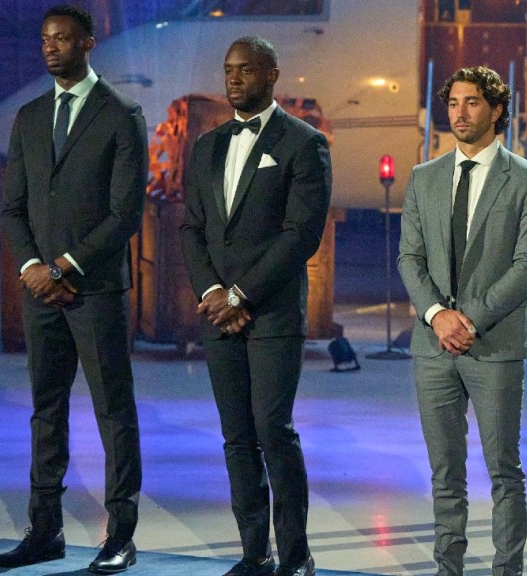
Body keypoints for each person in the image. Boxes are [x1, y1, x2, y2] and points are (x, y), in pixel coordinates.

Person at [0, 5, 146, 574]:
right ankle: (45, 531)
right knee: (46, 410)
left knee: (113, 411)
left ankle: (120, 536)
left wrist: (63, 268)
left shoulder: (121, 114)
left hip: (96, 290)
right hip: (40, 293)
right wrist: (34, 267)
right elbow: (12, 208)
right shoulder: (30, 116)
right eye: (44, 40)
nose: (51, 47)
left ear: (88, 42)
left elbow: (125, 213)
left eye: (61, 38)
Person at [179, 36, 330, 576]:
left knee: (273, 430)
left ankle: (296, 555)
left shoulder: (304, 143)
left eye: (246, 69)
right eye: (228, 70)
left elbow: (300, 235)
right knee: (237, 437)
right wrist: (212, 294)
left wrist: (241, 295)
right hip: (218, 313)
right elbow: (192, 228)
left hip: (272, 313)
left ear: (272, 74)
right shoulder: (206, 146)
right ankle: (254, 554)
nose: (235, 78)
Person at [397, 66, 527, 576]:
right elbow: (409, 258)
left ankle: (508, 571)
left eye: (472, 102)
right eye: (453, 103)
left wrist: (469, 321)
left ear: (496, 110)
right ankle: (449, 568)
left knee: (504, 472)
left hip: (495, 346)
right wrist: (438, 316)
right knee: (445, 475)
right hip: (432, 346)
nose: (459, 113)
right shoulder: (424, 177)